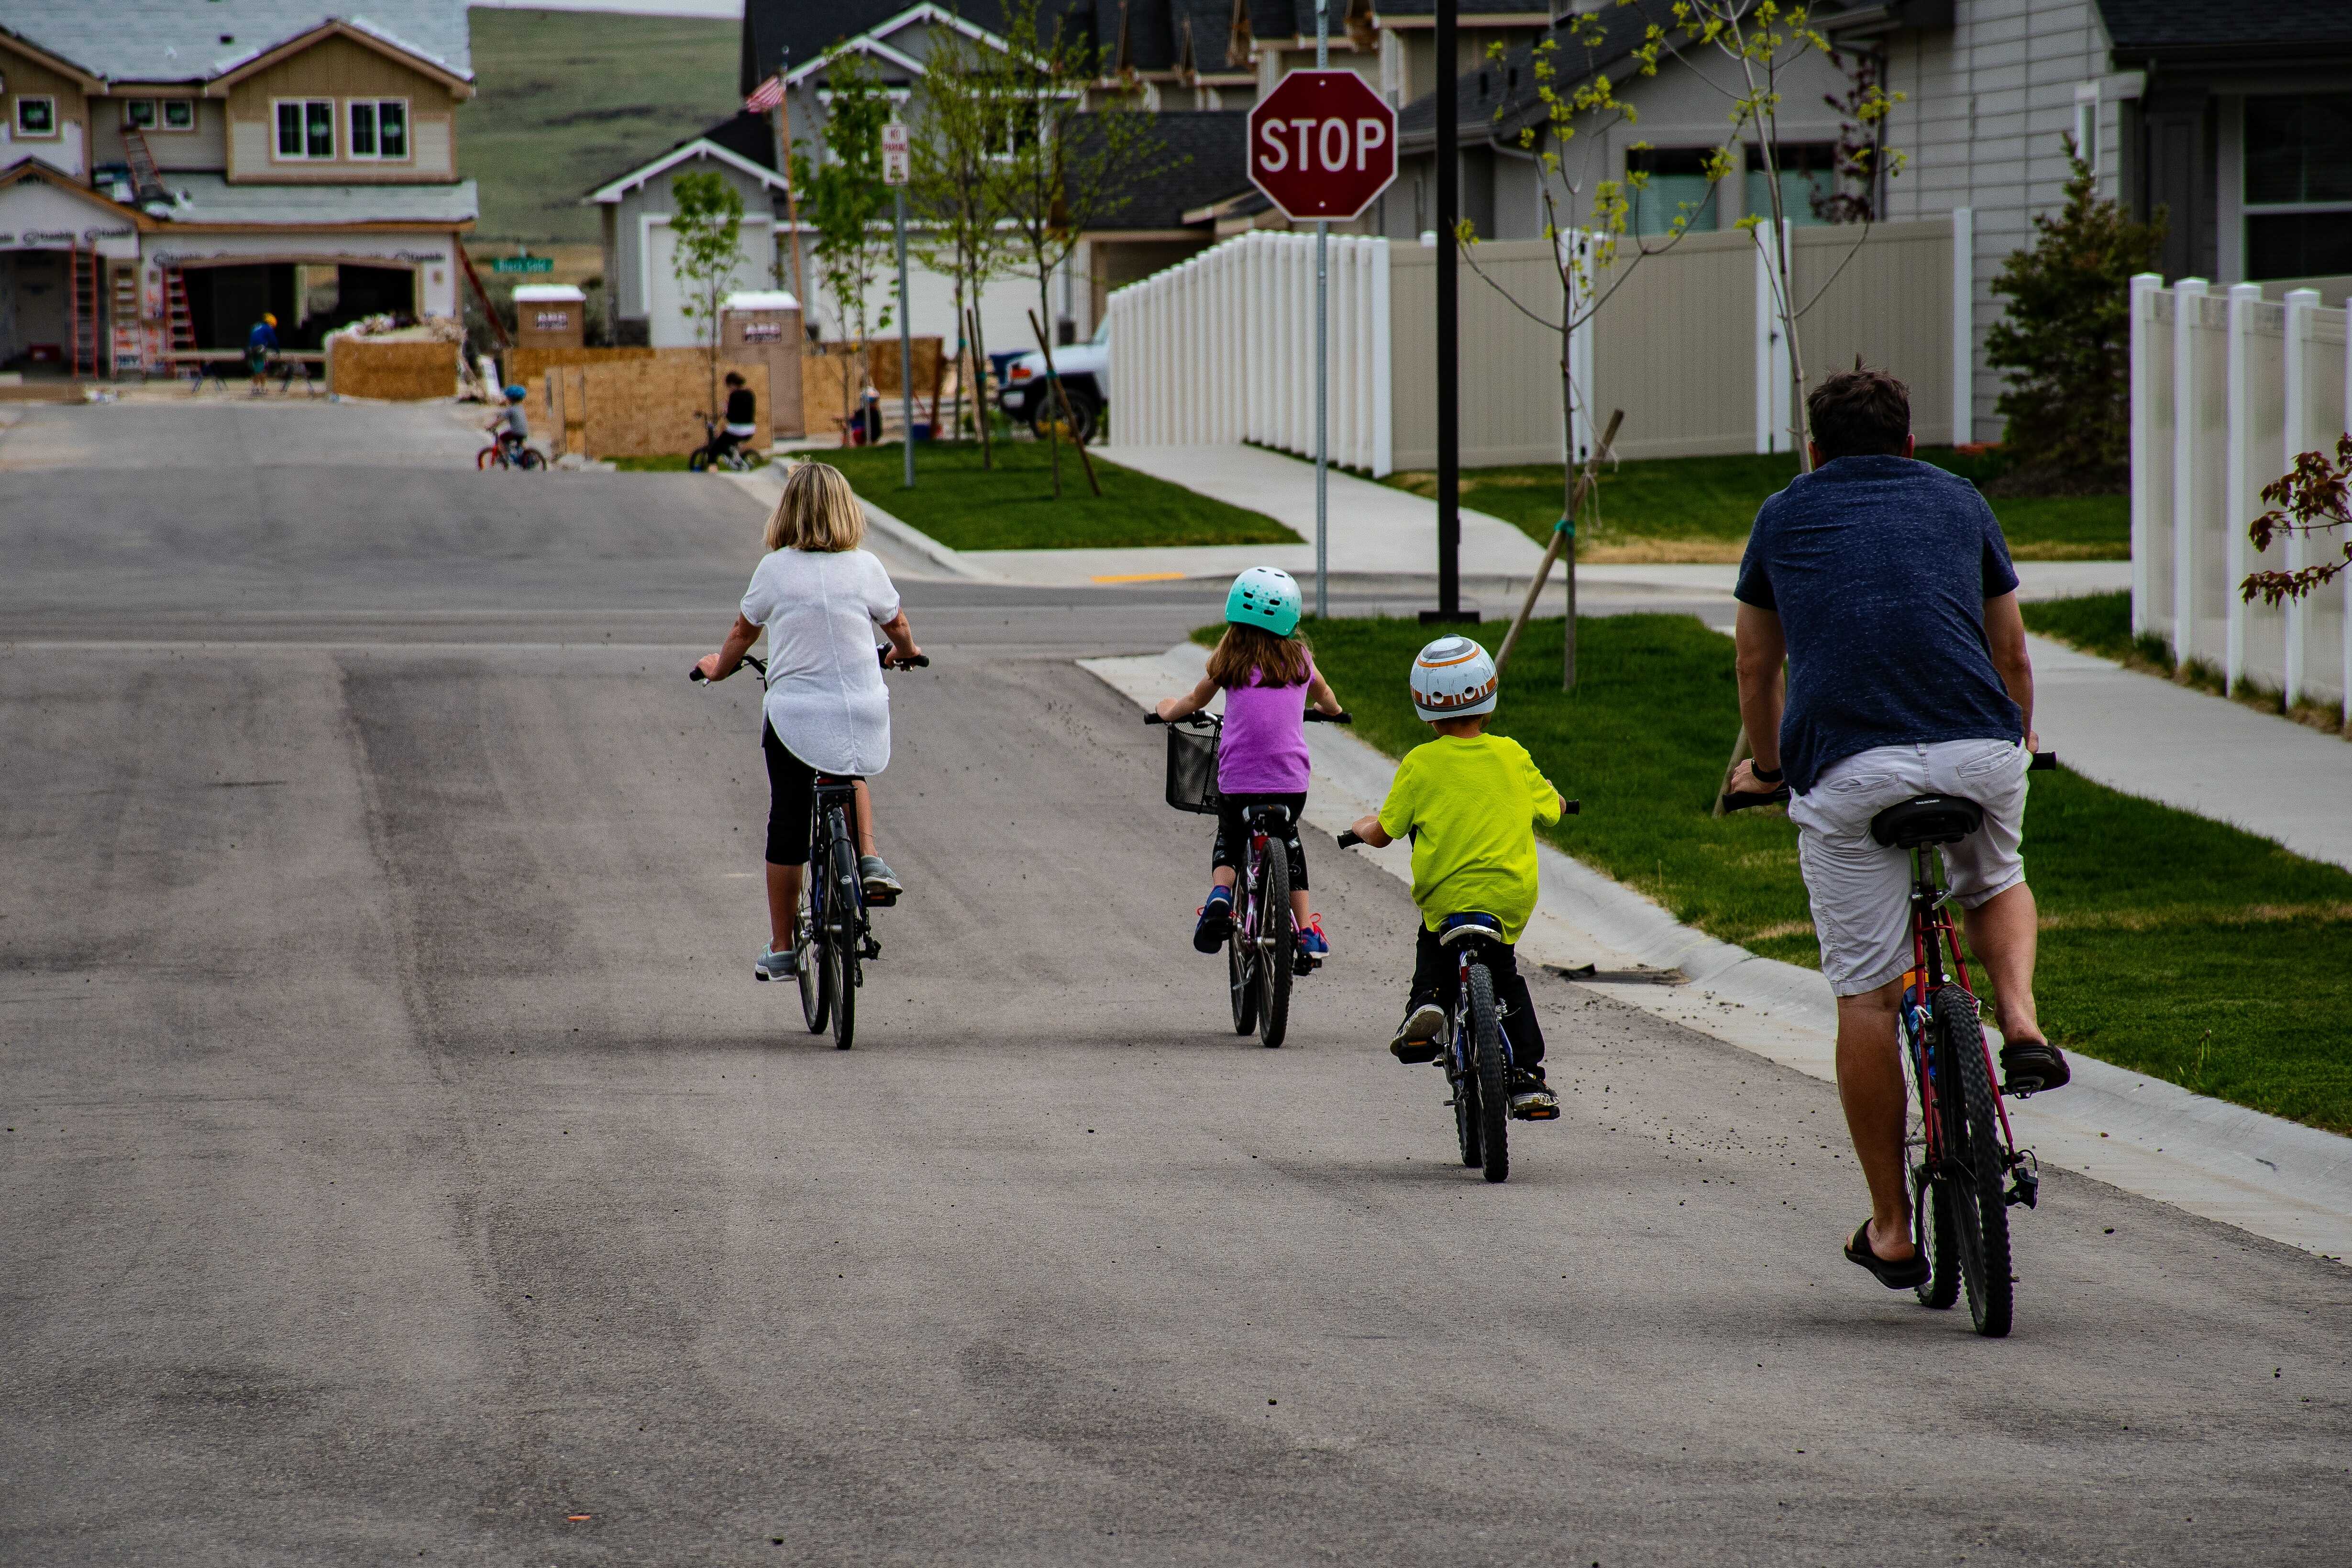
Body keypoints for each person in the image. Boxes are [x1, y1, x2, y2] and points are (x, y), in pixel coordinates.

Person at [1726, 366, 2066, 1293]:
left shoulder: (1782, 513)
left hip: (1848, 768)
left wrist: (1765, 764)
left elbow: (1757, 663)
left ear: (1813, 450)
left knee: (1867, 998)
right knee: (1992, 878)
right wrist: (2018, 732)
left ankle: (1888, 1226)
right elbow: (2011, 651)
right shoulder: (1959, 500)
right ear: (1909, 444)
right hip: (1977, 752)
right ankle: (2022, 1022)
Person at [696, 461, 920, 980]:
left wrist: (719, 667)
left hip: (795, 714)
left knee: (789, 818)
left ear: (788, 511)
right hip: (860, 709)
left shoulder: (775, 568)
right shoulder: (865, 566)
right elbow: (899, 624)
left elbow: (742, 632)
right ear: (847, 510)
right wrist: (906, 651)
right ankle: (868, 858)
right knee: (848, 766)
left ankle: (781, 946)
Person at [1346, 636, 1565, 1118]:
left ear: (1423, 704)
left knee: (1434, 945)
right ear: (1489, 695)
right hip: (1507, 895)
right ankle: (1528, 1078)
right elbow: (1552, 810)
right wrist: (1560, 801)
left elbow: (1384, 833)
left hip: (1447, 899)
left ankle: (1428, 1003)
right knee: (1504, 972)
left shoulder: (1419, 764)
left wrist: (1363, 827)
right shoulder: (1512, 755)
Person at [1156, 567, 1342, 963]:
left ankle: (1221, 894)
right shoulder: (1300, 659)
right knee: (1289, 844)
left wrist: (1167, 710)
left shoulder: (1229, 660)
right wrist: (1333, 711)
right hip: (1289, 785)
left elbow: (1193, 702)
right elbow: (1326, 696)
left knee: (1230, 837)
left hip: (1238, 781)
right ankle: (1306, 931)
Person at [703, 371, 758, 465]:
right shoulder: (750, 394)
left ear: (732, 384)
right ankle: (736, 458)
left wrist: (726, 410)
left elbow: (731, 417)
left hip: (736, 430)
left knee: (714, 450)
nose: (729, 390)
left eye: (729, 387)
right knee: (728, 441)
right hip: (750, 430)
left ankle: (711, 474)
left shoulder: (734, 395)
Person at [484, 385, 530, 460]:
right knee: (521, 444)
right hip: (524, 432)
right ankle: (530, 455)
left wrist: (490, 426)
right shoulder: (520, 407)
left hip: (516, 432)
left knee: (501, 438)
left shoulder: (510, 409)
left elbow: (499, 421)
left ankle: (505, 456)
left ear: (510, 399)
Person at [245, 312, 278, 393]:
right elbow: (273, 340)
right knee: (261, 369)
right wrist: (277, 350)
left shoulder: (257, 326)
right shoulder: (268, 328)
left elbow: (252, 338)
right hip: (260, 348)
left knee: (257, 369)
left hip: (251, 349)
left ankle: (255, 387)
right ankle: (262, 388)